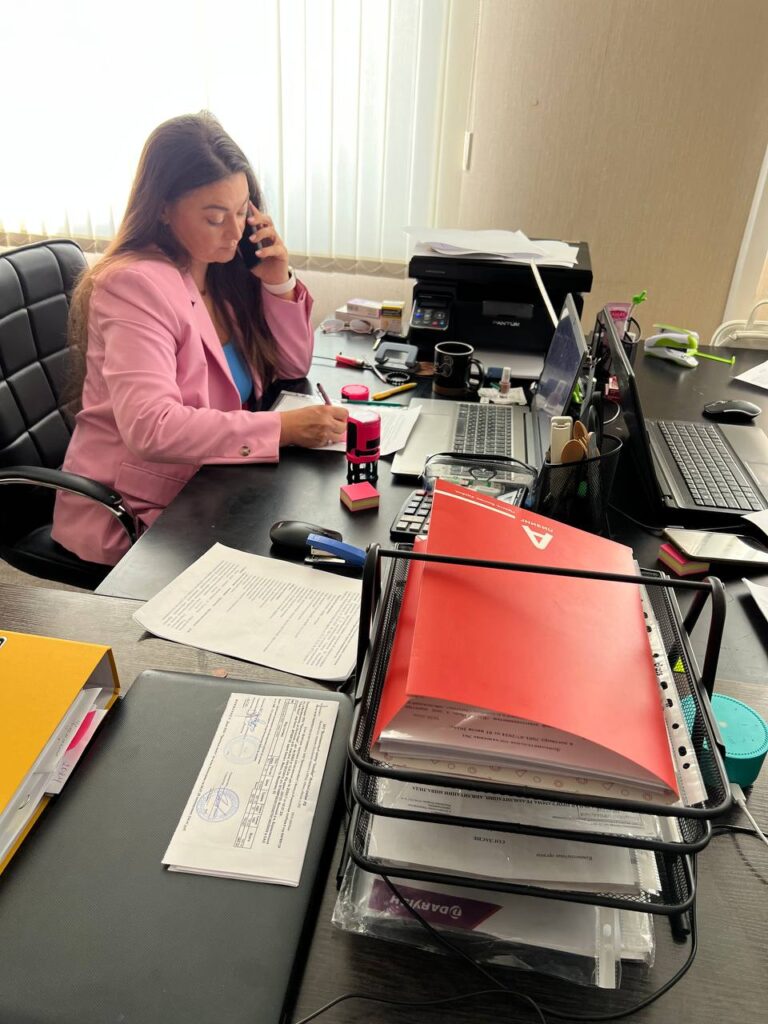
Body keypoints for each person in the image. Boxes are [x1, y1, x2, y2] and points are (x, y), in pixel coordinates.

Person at [52, 111, 347, 566]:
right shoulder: (134, 285)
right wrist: (282, 429)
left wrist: (277, 281)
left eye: (242, 211)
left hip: (211, 484)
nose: (235, 232)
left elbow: (291, 367)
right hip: (135, 512)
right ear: (163, 209)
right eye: (214, 218)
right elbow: (151, 427)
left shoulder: (223, 273)